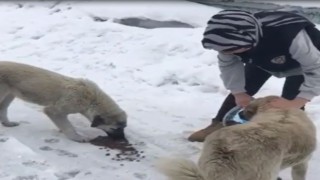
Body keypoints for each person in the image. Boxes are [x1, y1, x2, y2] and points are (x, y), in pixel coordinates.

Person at [188, 9, 320, 142]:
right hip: (261, 59)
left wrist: (298, 101)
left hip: (303, 63)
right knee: (245, 86)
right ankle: (217, 125)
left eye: (231, 50)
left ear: (249, 38)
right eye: (223, 51)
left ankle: (292, 134)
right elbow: (228, 65)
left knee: (290, 99)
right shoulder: (227, 42)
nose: (226, 53)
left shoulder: (291, 37)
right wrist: (239, 93)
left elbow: (316, 67)